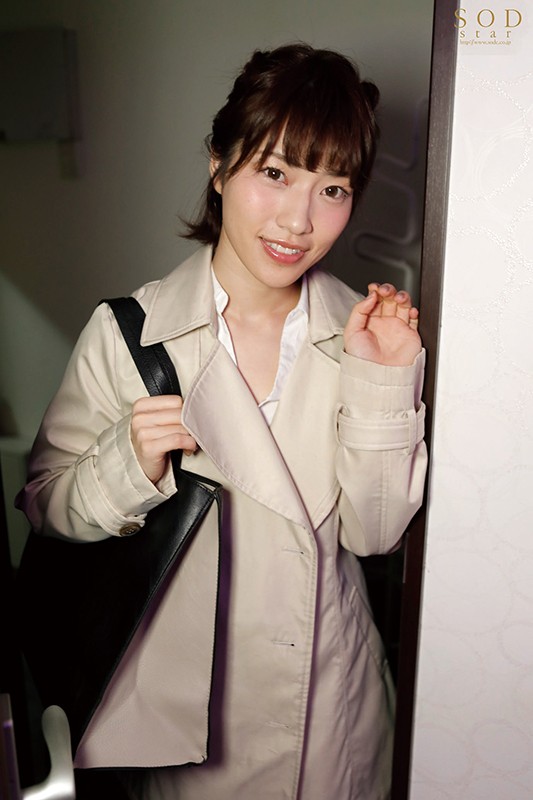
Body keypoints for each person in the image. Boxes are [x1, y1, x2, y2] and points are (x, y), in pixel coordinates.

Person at [17, 43, 427, 800]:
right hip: (188, 732)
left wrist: (383, 379)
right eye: (274, 173)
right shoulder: (130, 333)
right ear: (219, 164)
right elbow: (45, 504)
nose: (298, 220)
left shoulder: (364, 335)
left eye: (332, 188)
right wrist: (127, 464)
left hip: (332, 720)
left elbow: (374, 537)